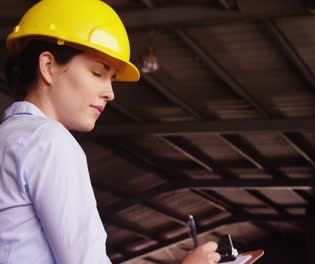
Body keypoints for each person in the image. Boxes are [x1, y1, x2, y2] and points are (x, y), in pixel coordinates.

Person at [0, 0, 221, 263]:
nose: (110, 93)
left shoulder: (9, 138)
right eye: (97, 73)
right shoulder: (49, 141)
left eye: (112, 79)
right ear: (48, 66)